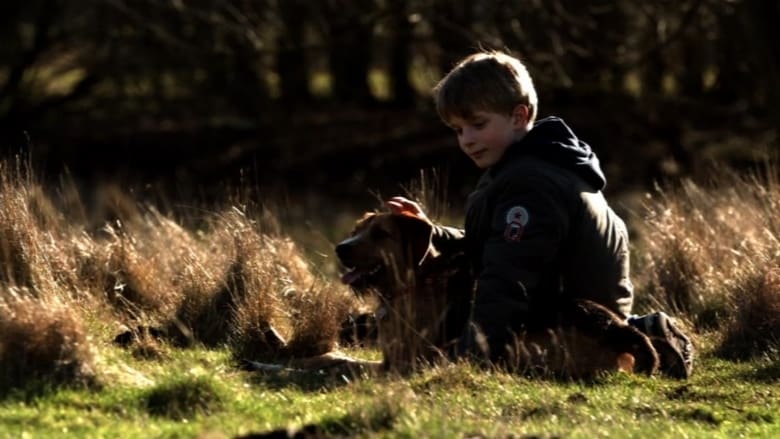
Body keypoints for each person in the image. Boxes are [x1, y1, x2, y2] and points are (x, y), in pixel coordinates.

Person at [386, 50, 693, 378]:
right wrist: (434, 233)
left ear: (519, 117)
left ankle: (645, 340)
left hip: (578, 327)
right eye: (458, 130)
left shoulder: (531, 183)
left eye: (477, 124)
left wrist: (473, 357)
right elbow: (502, 244)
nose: (467, 140)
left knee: (429, 356)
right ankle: (639, 328)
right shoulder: (524, 167)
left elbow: (508, 277)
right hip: (572, 312)